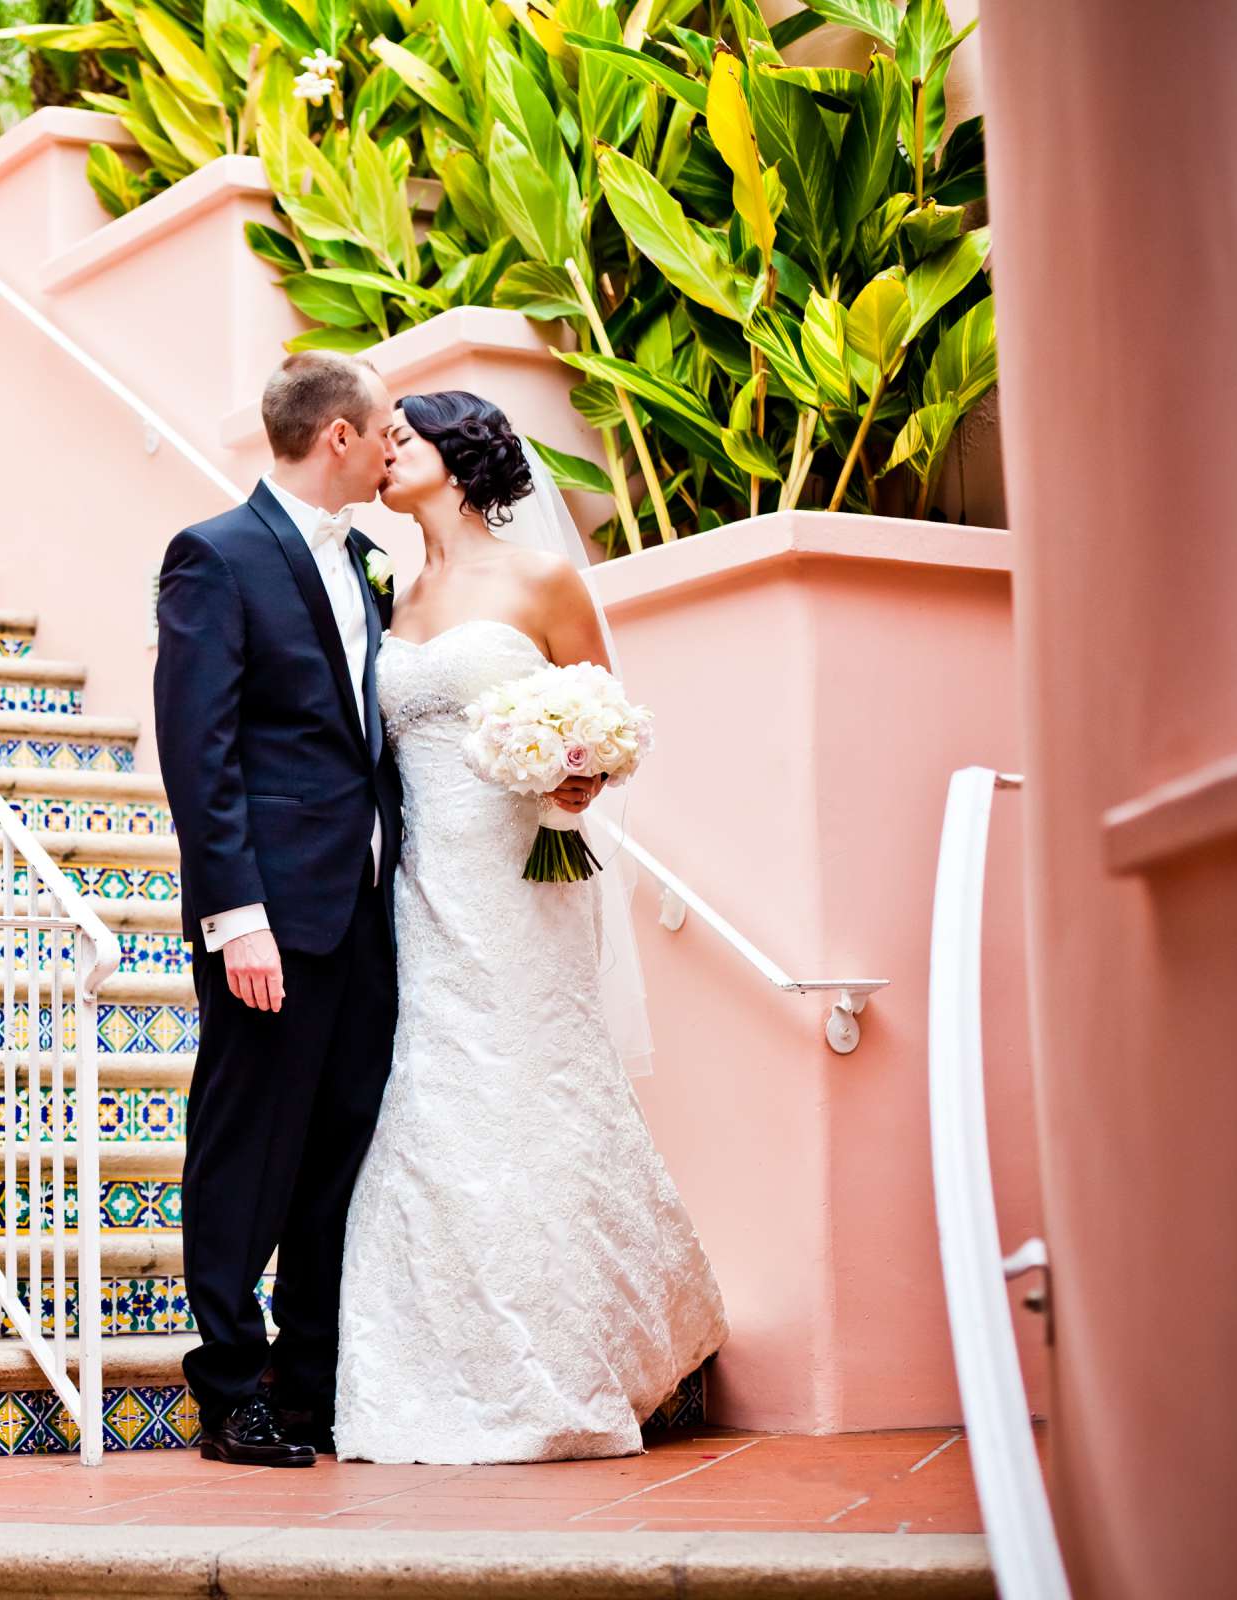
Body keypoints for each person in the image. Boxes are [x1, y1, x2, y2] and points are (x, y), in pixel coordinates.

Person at [332, 390, 726, 1464]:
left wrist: (577, 773)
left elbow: (609, 717)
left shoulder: (543, 577)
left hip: (522, 881)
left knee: (529, 1087)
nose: (383, 452)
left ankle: (570, 1351)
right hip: (421, 889)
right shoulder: (392, 590)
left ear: (458, 457)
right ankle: (437, 1365)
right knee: (437, 1099)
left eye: (402, 439)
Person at [151, 351, 403, 1466]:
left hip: (364, 909)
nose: (396, 448)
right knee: (246, 1150)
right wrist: (233, 915)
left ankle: (308, 1386)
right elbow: (197, 754)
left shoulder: (375, 567)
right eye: (385, 430)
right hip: (272, 916)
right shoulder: (215, 555)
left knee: (338, 1149)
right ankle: (231, 1389)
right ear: (336, 436)